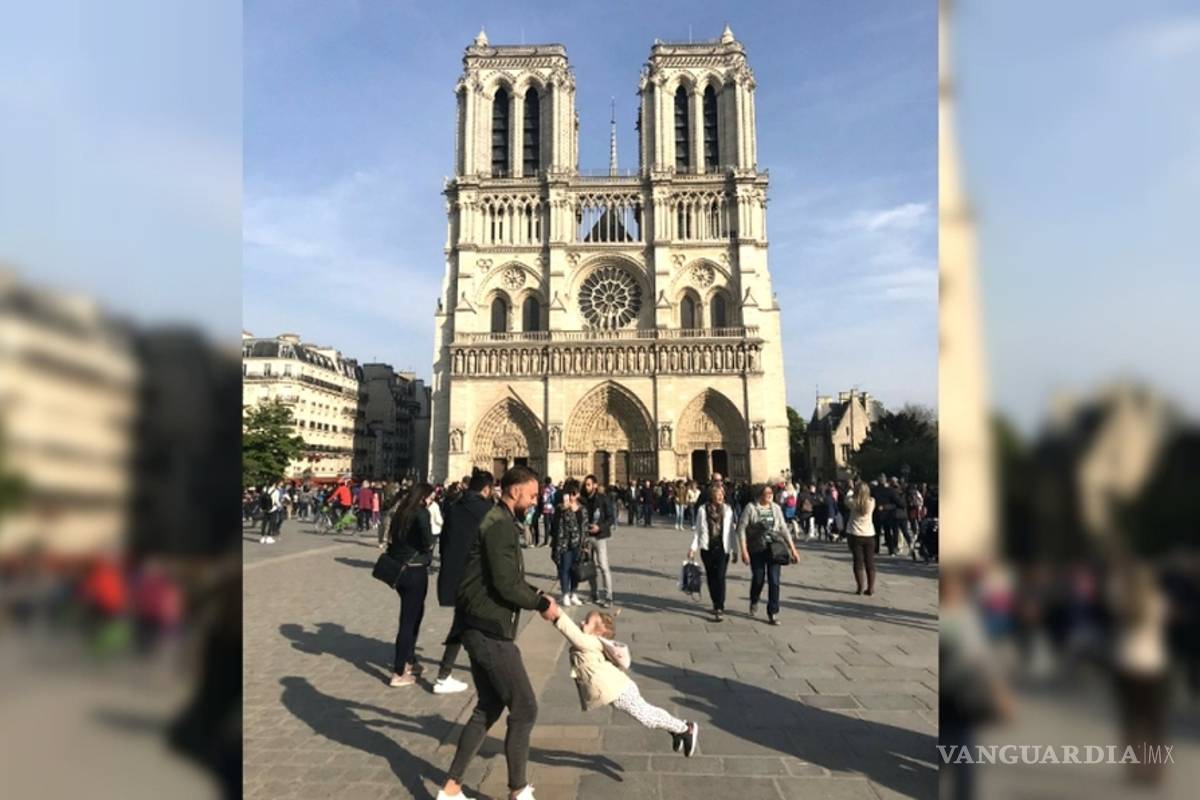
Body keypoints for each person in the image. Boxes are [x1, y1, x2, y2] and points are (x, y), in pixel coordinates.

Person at [439, 465, 555, 800]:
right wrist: (539, 604)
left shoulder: (497, 519)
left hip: (476, 624)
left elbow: (504, 576)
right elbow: (506, 585)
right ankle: (518, 790)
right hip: (488, 628)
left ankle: (450, 790)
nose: (534, 501)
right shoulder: (499, 524)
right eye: (532, 495)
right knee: (525, 708)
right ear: (516, 490)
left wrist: (538, 594)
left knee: (488, 706)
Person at [545, 605, 699, 756]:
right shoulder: (589, 643)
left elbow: (572, 633)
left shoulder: (590, 642)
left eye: (587, 623)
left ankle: (685, 729)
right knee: (648, 712)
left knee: (647, 718)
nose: (581, 623)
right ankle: (677, 729)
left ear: (598, 633)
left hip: (619, 690)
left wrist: (556, 613)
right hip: (618, 688)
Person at [433, 470, 494, 695]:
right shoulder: (487, 510)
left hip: (455, 574)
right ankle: (447, 674)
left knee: (464, 622)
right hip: (476, 576)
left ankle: (446, 673)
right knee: (479, 622)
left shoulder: (454, 507)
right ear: (486, 490)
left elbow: (444, 542)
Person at [385, 483, 436, 688]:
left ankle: (409, 660)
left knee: (414, 616)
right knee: (408, 621)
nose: (432, 499)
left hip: (400, 571)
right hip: (415, 571)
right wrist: (430, 542)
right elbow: (427, 541)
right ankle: (399, 671)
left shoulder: (401, 511)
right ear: (423, 497)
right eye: (431, 496)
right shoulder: (421, 513)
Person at [736, 484, 800, 625]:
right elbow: (741, 529)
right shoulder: (751, 508)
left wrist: (793, 549)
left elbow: (783, 528)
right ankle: (754, 599)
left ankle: (773, 612)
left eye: (771, 492)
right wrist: (744, 550)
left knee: (774, 580)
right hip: (757, 548)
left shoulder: (776, 508)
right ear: (760, 494)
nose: (770, 495)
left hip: (774, 548)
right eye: (767, 493)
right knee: (758, 578)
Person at [687, 483, 737, 622]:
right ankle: (715, 601)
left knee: (720, 576)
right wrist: (693, 548)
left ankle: (719, 605)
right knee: (711, 576)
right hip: (707, 547)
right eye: (718, 494)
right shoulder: (703, 510)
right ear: (712, 496)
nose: (720, 496)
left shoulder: (728, 510)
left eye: (722, 494)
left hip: (723, 547)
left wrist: (735, 550)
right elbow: (698, 531)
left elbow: (731, 532)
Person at [581, 474, 615, 607]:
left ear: (595, 485)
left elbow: (611, 518)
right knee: (590, 567)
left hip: (600, 537)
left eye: (588, 484)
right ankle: (593, 594)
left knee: (603, 566)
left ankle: (609, 596)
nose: (586, 486)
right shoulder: (583, 499)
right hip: (588, 537)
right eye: (585, 484)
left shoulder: (603, 499)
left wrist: (599, 527)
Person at [551, 480, 585, 607]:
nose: (571, 496)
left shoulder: (582, 509)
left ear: (578, 494)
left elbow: (584, 526)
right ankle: (565, 594)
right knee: (565, 569)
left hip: (578, 544)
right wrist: (566, 509)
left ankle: (574, 593)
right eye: (569, 493)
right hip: (565, 544)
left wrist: (585, 544)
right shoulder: (561, 508)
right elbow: (557, 526)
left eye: (574, 493)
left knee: (575, 570)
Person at [845, 481, 877, 595]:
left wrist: (851, 488)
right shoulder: (872, 502)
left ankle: (860, 587)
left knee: (858, 562)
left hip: (855, 534)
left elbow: (847, 497)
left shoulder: (852, 502)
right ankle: (871, 587)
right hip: (869, 534)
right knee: (870, 562)